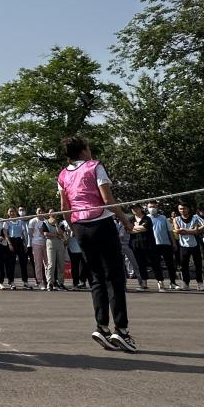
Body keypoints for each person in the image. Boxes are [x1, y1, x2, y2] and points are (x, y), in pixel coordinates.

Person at [57, 135, 136, 352]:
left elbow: (64, 207)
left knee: (96, 278)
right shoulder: (94, 166)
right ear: (83, 150)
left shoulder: (63, 174)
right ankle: (122, 331)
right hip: (101, 223)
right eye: (88, 147)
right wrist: (126, 221)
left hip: (80, 227)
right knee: (115, 277)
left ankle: (102, 326)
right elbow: (108, 200)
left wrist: (74, 228)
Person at [172, 202, 204, 290]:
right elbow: (177, 231)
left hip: (195, 244)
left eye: (184, 208)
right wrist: (190, 230)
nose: (182, 210)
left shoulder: (195, 217)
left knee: (198, 265)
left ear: (188, 209)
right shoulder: (176, 219)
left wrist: (183, 229)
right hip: (183, 245)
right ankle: (186, 283)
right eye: (180, 209)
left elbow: (197, 230)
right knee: (184, 265)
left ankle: (200, 283)